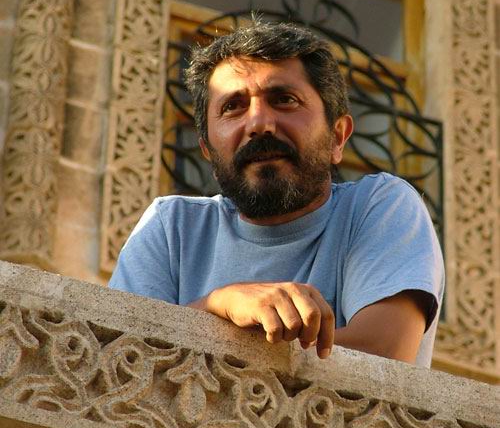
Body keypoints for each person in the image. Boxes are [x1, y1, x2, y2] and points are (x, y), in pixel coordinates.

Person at [109, 21, 444, 367]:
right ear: (207, 149)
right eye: (232, 107)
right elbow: (120, 361)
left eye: (284, 100)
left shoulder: (380, 206)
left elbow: (383, 358)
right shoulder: (170, 227)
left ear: (337, 137)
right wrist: (219, 303)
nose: (259, 124)